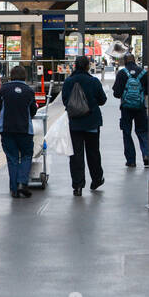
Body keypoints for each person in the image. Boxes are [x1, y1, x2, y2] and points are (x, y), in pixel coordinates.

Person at [61, 54, 107, 196]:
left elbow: (65, 101)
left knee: (76, 154)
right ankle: (97, 179)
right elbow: (102, 100)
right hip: (92, 122)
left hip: (75, 124)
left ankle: (78, 186)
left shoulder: (68, 82)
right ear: (87, 66)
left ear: (75, 66)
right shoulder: (93, 81)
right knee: (93, 152)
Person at [0, 64, 38, 199]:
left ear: (11, 76)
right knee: (26, 155)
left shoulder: (4, 89)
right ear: (25, 76)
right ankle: (22, 183)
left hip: (6, 130)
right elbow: (33, 110)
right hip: (24, 130)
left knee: (12, 158)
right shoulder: (29, 91)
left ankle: (14, 189)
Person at [112, 53, 149, 168]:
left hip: (126, 108)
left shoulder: (122, 73)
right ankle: (146, 156)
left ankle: (131, 160)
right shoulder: (143, 73)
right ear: (135, 60)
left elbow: (116, 93)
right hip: (140, 108)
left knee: (127, 133)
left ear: (125, 61)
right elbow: (148, 91)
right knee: (143, 132)